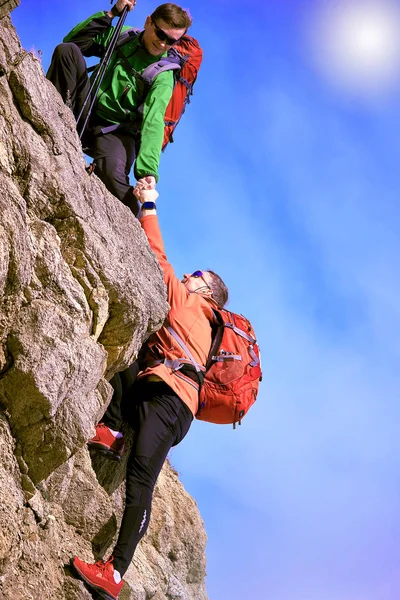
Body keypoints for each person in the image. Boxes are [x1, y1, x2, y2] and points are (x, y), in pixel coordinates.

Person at [72, 188, 229, 599]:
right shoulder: (207, 327)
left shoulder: (192, 306)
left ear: (206, 291)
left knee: (140, 482)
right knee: (127, 359)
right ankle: (114, 432)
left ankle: (115, 573)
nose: (188, 276)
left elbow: (158, 256)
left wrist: (149, 202)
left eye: (197, 276)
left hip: (170, 402)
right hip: (167, 399)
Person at [47, 1, 192, 215]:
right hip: (87, 105)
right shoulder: (124, 36)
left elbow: (153, 120)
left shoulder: (164, 76)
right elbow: (75, 41)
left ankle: (136, 226)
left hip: (116, 131)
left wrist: (147, 172)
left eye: (171, 41)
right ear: (148, 22)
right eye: (161, 35)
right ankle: (52, 121)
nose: (163, 44)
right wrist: (111, 13)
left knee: (116, 187)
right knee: (67, 52)